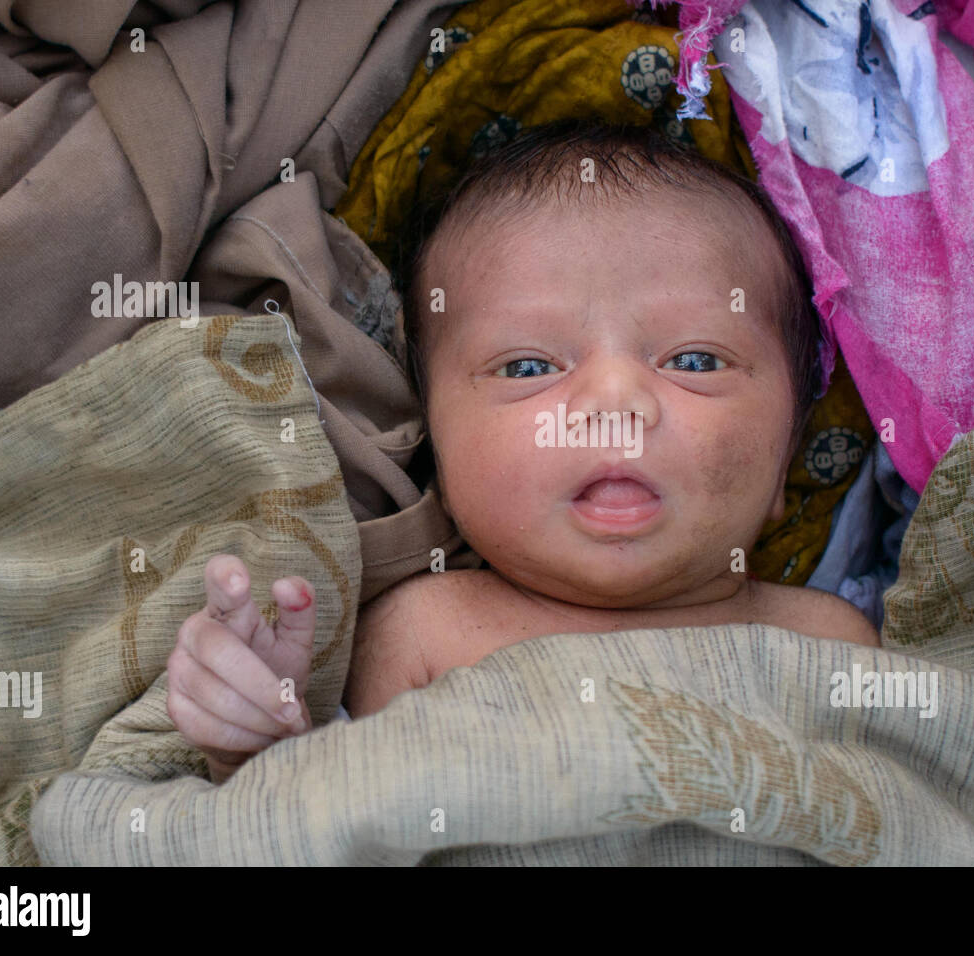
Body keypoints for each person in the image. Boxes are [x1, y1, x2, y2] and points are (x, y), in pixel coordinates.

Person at [166, 120, 881, 784]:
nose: (613, 405)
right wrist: (254, 744)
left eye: (695, 361)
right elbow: (352, 823)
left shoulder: (831, 642)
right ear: (437, 454)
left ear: (787, 456)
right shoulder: (423, 631)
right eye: (528, 368)